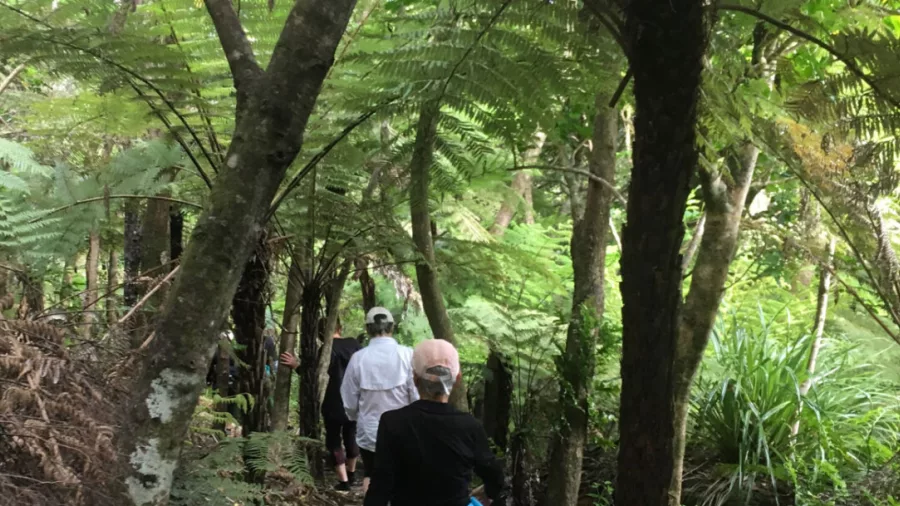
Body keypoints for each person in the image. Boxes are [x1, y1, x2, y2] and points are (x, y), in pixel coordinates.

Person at [363, 339, 506, 506]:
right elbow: (493, 475)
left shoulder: (392, 422)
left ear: (415, 379)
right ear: (457, 379)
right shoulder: (470, 426)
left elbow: (381, 483)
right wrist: (491, 494)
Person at [341, 307, 418, 493]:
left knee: (371, 473)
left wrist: (354, 417)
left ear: (368, 329)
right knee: (403, 475)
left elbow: (349, 399)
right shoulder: (408, 355)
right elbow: (416, 396)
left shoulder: (358, 359)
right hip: (404, 430)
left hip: (370, 430)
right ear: (392, 327)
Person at [280, 318, 362, 491]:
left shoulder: (324, 349)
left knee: (333, 439)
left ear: (319, 333)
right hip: (355, 399)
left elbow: (314, 375)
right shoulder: (354, 345)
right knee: (351, 434)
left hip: (333, 401)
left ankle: (344, 481)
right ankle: (352, 472)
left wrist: (297, 366)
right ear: (340, 327)